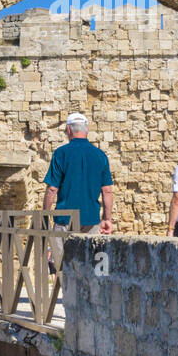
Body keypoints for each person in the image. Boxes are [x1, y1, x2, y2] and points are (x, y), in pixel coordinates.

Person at [43, 113, 113, 268]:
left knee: (59, 264)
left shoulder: (61, 153)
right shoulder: (100, 155)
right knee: (92, 266)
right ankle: (88, 293)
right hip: (91, 219)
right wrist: (107, 219)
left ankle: (63, 292)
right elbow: (107, 191)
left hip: (64, 218)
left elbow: (52, 189)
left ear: (68, 130)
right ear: (86, 130)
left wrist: (45, 215)